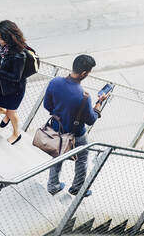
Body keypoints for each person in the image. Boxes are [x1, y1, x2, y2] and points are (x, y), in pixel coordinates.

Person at [43, 54, 108, 196]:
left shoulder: (55, 82)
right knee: (82, 159)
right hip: (76, 134)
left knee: (57, 155)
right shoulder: (83, 96)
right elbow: (91, 119)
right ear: (84, 73)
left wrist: (59, 114)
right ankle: (77, 188)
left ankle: (53, 185)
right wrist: (99, 103)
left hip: (56, 129)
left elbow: (47, 105)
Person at [0, 20, 27, 145]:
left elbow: (16, 77)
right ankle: (5, 113)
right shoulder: (0, 44)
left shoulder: (19, 55)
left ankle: (16, 134)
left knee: (12, 113)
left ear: (9, 38)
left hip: (14, 89)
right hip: (0, 84)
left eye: (1, 38)